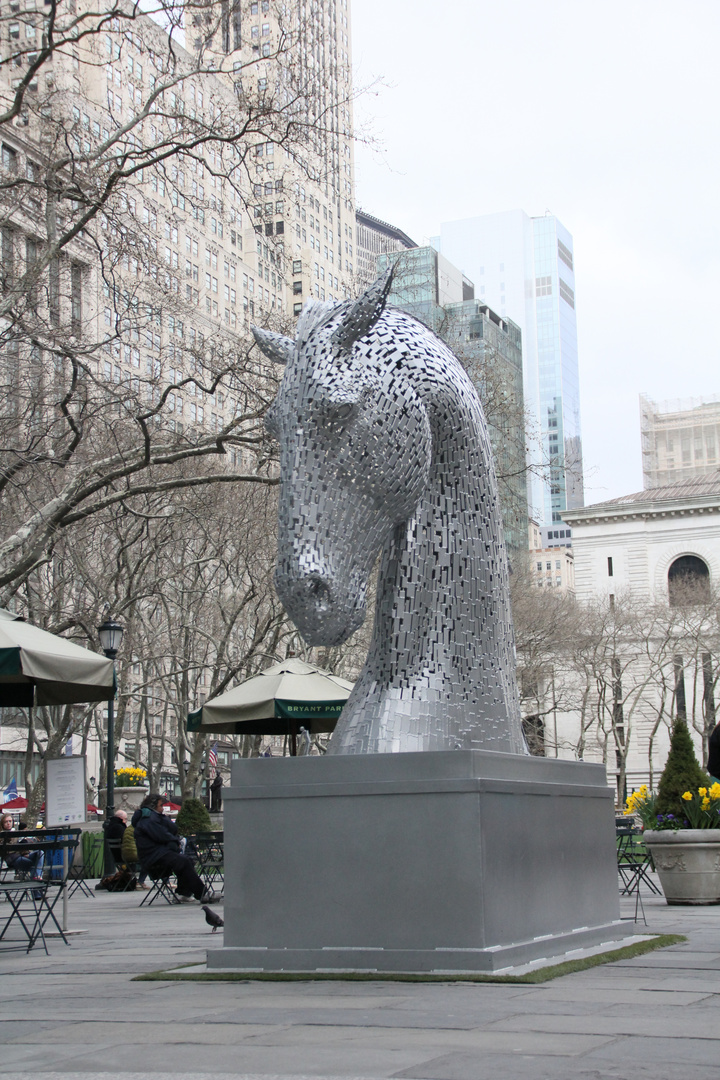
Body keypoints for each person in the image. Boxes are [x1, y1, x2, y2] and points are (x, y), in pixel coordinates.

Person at [131, 793, 219, 903]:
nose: (162, 808)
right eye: (161, 806)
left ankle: (183, 893)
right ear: (153, 806)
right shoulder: (148, 819)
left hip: (157, 853)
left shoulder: (149, 817)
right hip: (153, 856)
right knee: (183, 861)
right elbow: (161, 835)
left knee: (187, 860)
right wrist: (174, 841)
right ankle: (202, 893)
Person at [1, 812, 44, 881]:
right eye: (6, 822)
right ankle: (36, 878)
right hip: (13, 859)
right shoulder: (2, 836)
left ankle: (37, 876)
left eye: (10, 821)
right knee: (33, 864)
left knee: (40, 853)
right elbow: (7, 852)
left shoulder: (16, 832)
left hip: (23, 856)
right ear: (2, 824)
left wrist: (25, 852)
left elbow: (23, 848)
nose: (8, 823)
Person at [120, 821, 150, 889]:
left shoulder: (129, 828)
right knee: (150, 860)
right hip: (134, 855)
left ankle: (140, 881)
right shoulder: (140, 827)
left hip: (125, 855)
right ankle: (141, 881)